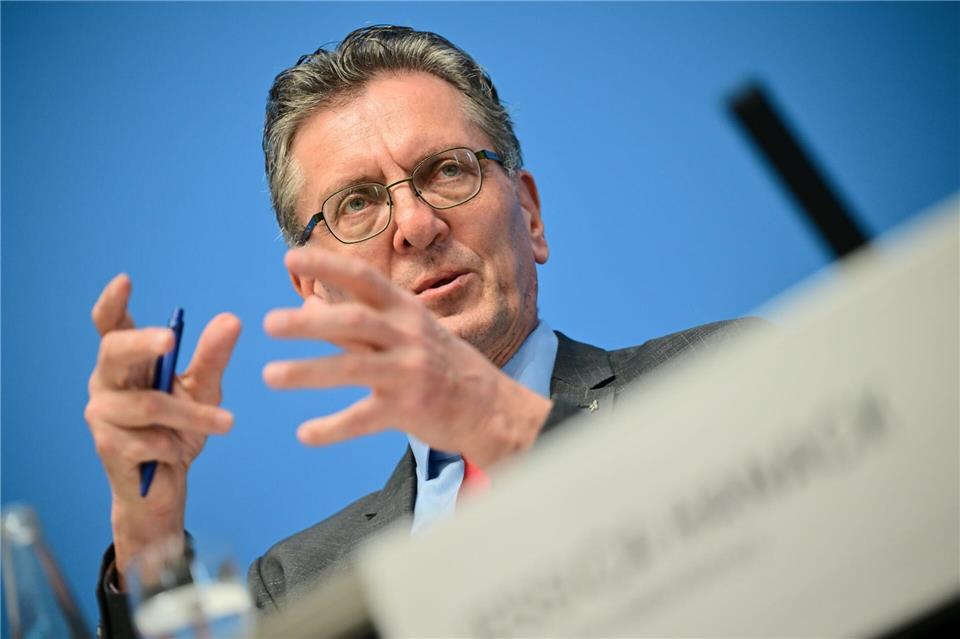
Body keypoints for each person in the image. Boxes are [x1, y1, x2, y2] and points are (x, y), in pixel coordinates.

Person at [87, 25, 754, 636]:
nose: (415, 225)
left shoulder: (727, 374)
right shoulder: (296, 583)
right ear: (318, 292)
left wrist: (509, 430)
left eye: (447, 169)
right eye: (357, 204)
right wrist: (148, 537)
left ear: (530, 213)